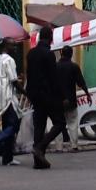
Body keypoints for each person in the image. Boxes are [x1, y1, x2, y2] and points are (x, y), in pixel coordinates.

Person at [25, 26, 67, 169]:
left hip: (34, 95)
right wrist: (62, 96)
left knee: (39, 126)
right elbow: (53, 77)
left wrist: (29, 94)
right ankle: (40, 147)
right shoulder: (49, 54)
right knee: (60, 123)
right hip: (48, 95)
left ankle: (38, 161)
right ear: (50, 38)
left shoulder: (31, 53)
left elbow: (29, 75)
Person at [55, 45, 92, 153]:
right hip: (70, 100)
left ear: (61, 54)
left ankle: (58, 147)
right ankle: (74, 146)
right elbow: (81, 82)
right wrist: (87, 94)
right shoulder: (74, 67)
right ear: (71, 54)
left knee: (57, 124)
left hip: (57, 101)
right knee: (72, 123)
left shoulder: (54, 67)